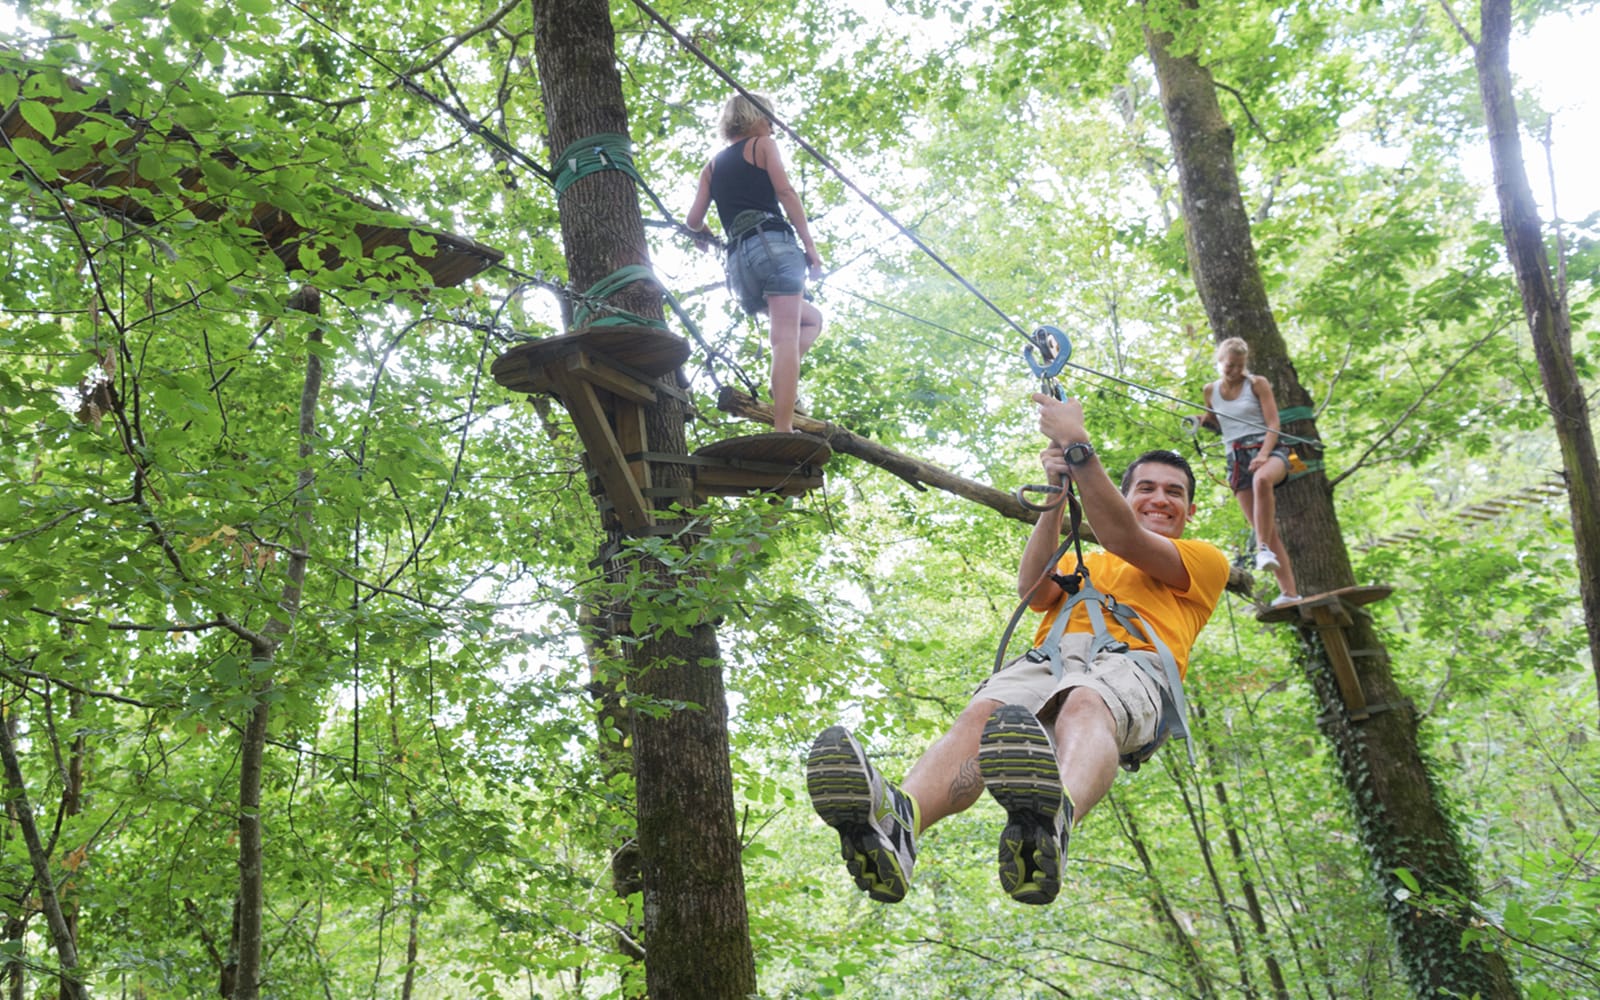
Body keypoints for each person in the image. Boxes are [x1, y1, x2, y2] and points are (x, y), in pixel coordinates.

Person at [806, 393, 1231, 905]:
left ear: (1190, 510)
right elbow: (1034, 589)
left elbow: (1122, 534)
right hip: (1048, 659)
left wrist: (1078, 443)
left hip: (1131, 662)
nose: (1160, 498)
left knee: (1086, 701)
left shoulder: (1203, 561)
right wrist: (1056, 492)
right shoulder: (1088, 558)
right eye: (1146, 488)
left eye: (1174, 492)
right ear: (1123, 495)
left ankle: (1055, 821)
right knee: (983, 716)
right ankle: (902, 825)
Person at [685, 93, 824, 434]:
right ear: (754, 118)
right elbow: (786, 193)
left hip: (740, 267)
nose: (773, 127)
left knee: (811, 321)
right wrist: (810, 248)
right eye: (769, 118)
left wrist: (703, 232)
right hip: (773, 246)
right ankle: (783, 428)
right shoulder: (762, 145)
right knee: (784, 339)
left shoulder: (712, 167)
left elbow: (692, 220)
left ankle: (782, 386)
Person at [1200, 337, 1300, 606]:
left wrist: (1265, 454)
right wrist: (1202, 422)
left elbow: (1273, 423)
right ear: (1220, 362)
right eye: (1230, 365)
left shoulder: (1257, 384)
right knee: (1263, 526)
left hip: (1269, 448)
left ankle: (1261, 550)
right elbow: (1217, 424)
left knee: (1262, 479)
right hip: (1236, 457)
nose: (1235, 371)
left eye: (1240, 366)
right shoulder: (1210, 391)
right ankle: (1290, 593)